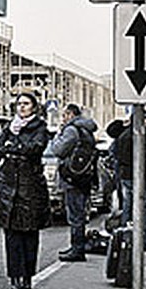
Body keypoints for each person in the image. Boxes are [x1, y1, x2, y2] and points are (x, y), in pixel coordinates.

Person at [0, 91, 50, 289]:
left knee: (29, 235)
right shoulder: (9, 127)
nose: (22, 107)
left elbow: (35, 148)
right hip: (9, 188)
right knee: (11, 236)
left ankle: (27, 276)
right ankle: (15, 276)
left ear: (34, 107)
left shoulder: (39, 127)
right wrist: (13, 145)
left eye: (26, 104)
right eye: (19, 104)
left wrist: (13, 146)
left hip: (30, 188)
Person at [49, 103, 97, 262]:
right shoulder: (87, 130)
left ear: (70, 114)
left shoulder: (71, 130)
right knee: (80, 213)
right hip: (83, 176)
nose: (63, 118)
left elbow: (58, 150)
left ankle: (77, 249)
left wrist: (57, 135)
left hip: (72, 177)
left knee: (75, 215)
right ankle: (77, 247)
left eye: (64, 115)